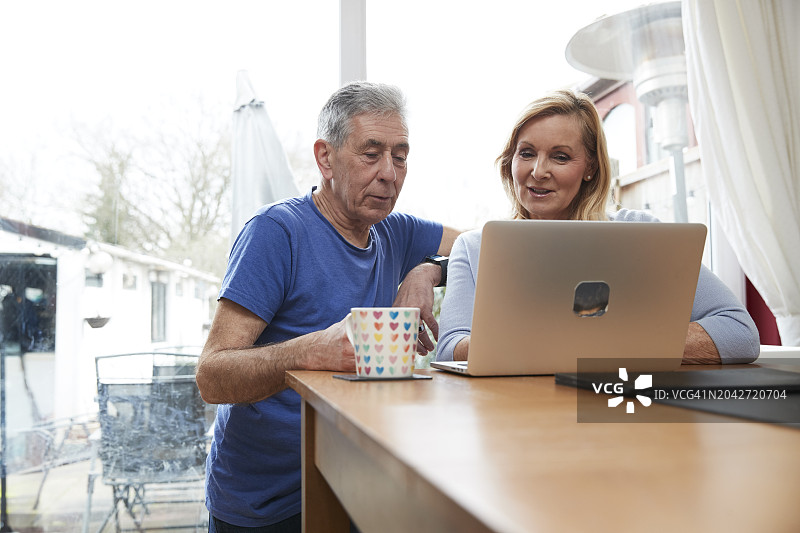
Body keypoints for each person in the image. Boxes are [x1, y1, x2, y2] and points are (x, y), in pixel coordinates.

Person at [195, 81, 459, 532]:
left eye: (400, 156)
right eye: (370, 153)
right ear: (325, 158)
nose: (389, 173)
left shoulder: (395, 230)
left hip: (353, 480)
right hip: (264, 504)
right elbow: (212, 376)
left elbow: (486, 247)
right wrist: (310, 351)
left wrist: (428, 271)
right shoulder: (276, 232)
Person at [436, 89, 760, 365]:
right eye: (527, 153)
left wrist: (595, 343)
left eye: (560, 157)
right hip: (516, 423)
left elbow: (738, 333)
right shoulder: (474, 248)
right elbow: (451, 349)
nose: (538, 171)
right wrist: (609, 340)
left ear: (589, 167)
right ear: (510, 162)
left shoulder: (642, 236)